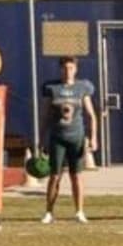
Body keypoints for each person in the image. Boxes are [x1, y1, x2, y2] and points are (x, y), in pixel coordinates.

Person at [40, 56, 98, 224]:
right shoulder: (52, 88)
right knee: (54, 176)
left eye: (71, 68)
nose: (68, 71)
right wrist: (41, 138)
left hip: (76, 137)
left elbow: (91, 115)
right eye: (65, 68)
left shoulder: (82, 88)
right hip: (57, 137)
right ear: (60, 69)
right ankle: (49, 212)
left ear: (76, 69)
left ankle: (79, 211)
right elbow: (45, 115)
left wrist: (93, 137)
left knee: (76, 176)